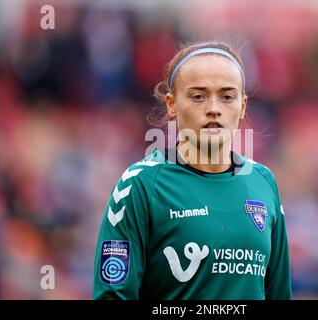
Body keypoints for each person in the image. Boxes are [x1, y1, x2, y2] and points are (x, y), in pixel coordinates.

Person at [93, 41, 292, 300]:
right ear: (171, 104)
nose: (213, 108)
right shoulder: (140, 185)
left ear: (242, 106)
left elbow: (278, 293)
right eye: (198, 96)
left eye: (227, 96)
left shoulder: (263, 182)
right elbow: (113, 295)